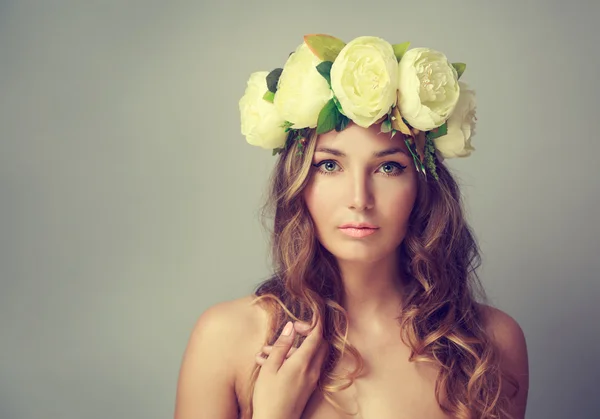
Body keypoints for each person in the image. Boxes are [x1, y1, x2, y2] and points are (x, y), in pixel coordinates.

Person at [174, 34, 529, 419]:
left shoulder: (490, 344)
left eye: (388, 167)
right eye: (330, 165)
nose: (359, 198)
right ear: (298, 182)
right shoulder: (225, 338)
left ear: (423, 186)